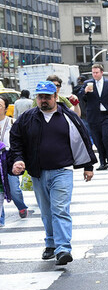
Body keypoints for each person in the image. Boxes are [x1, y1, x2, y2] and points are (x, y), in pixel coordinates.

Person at [8, 81, 96, 265]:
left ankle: (63, 248)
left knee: (60, 209)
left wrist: (88, 166)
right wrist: (17, 159)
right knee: (47, 212)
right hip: (38, 172)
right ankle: (51, 243)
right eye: (40, 97)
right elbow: (16, 140)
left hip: (62, 171)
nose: (43, 100)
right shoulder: (27, 118)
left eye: (47, 97)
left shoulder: (68, 117)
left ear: (56, 97)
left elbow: (83, 139)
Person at [81, 64, 108, 171]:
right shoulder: (87, 83)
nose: (94, 74)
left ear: (101, 72)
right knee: (97, 140)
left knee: (106, 137)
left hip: (107, 115)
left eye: (96, 72)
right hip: (93, 115)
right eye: (93, 73)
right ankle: (102, 162)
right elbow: (81, 97)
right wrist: (85, 91)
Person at [0, 95, 31, 226]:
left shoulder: (13, 123)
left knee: (14, 188)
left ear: (6, 108)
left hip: (10, 157)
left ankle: (21, 206)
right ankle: (1, 219)